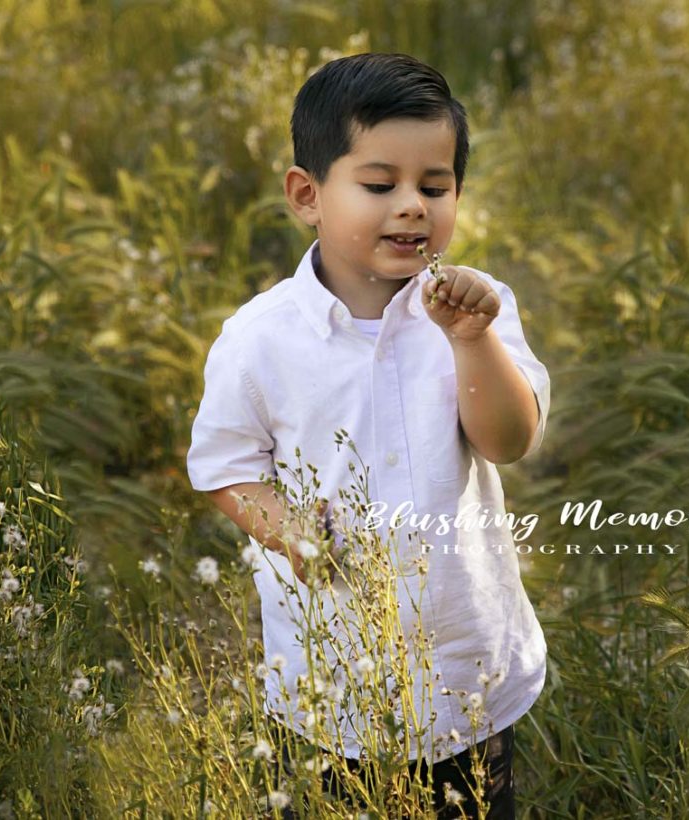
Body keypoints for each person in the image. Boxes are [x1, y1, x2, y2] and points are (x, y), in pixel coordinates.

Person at [186, 52, 550, 818]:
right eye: (380, 186)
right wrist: (285, 529)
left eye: (435, 186)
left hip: (466, 666)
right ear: (307, 195)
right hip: (332, 681)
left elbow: (508, 440)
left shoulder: (477, 309)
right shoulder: (261, 340)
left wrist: (472, 341)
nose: (412, 206)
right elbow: (225, 464)